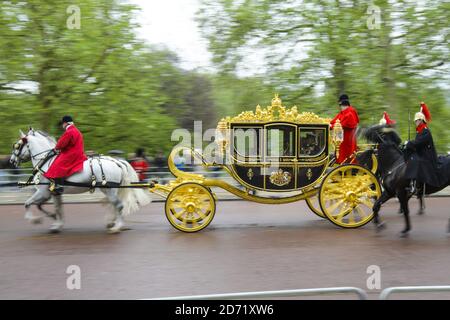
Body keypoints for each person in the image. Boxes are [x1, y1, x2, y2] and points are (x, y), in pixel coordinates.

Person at [44, 115, 87, 194]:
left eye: (63, 123)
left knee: (57, 164)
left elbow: (61, 143)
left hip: (72, 153)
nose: (62, 125)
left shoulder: (69, 131)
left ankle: (58, 186)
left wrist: (56, 148)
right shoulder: (75, 130)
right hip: (77, 152)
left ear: (65, 123)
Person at [404, 102, 440, 194]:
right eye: (415, 121)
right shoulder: (420, 131)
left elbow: (418, 143)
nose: (415, 122)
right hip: (422, 152)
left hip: (427, 155)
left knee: (415, 161)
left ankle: (416, 186)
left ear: (421, 120)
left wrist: (409, 143)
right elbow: (417, 143)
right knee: (411, 157)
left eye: (416, 120)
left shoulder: (425, 131)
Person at [330, 94, 360, 163]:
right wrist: (329, 124)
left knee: (346, 156)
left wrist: (331, 126)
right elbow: (334, 120)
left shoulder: (350, 112)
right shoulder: (343, 112)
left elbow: (342, 124)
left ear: (342, 104)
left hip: (347, 140)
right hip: (341, 140)